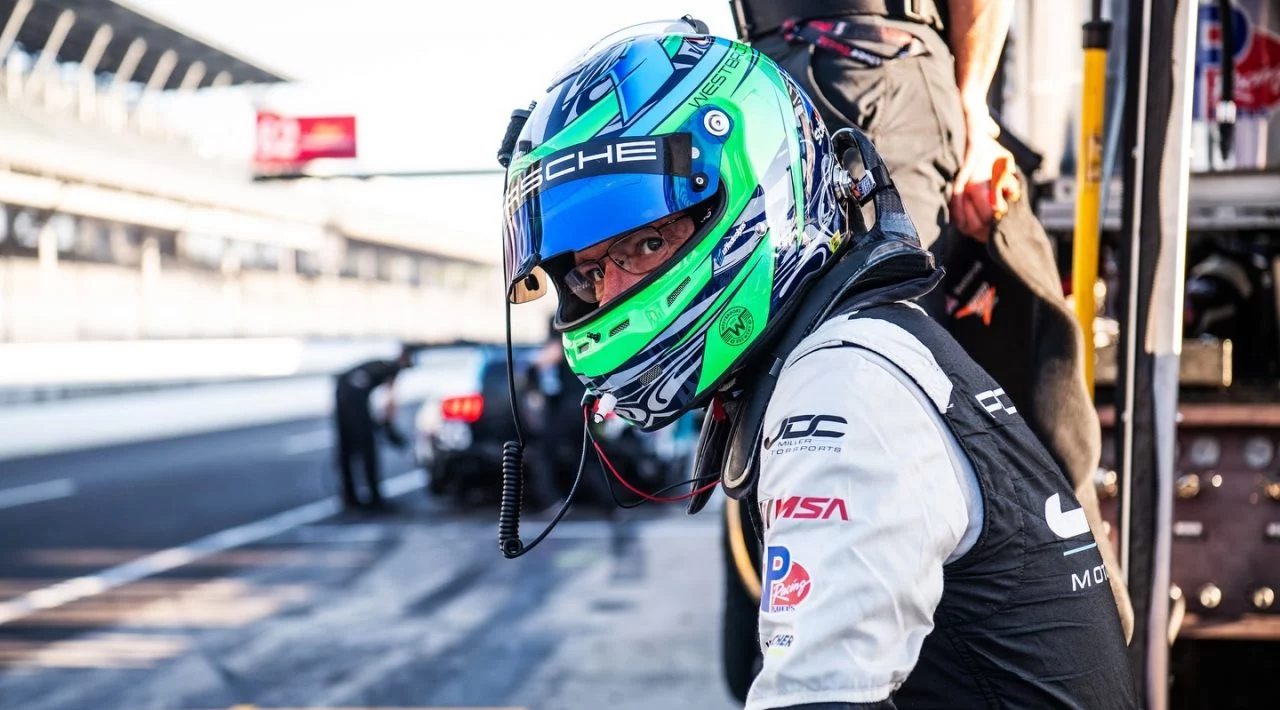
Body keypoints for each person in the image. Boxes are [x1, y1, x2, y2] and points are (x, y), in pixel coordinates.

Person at [499, 20, 1137, 708]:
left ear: (755, 194)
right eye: (591, 273)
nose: (614, 292)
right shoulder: (852, 354)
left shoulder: (840, 390)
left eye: (646, 242)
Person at [730, 0, 1135, 639]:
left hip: (865, 74)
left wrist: (972, 109)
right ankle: (822, 645)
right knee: (795, 387)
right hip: (781, 85)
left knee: (876, 370)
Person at [333, 345, 412, 511]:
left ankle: (350, 498)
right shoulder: (392, 369)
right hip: (354, 397)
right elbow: (388, 403)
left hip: (342, 391)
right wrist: (389, 430)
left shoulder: (379, 364)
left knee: (347, 448)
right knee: (366, 448)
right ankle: (374, 498)